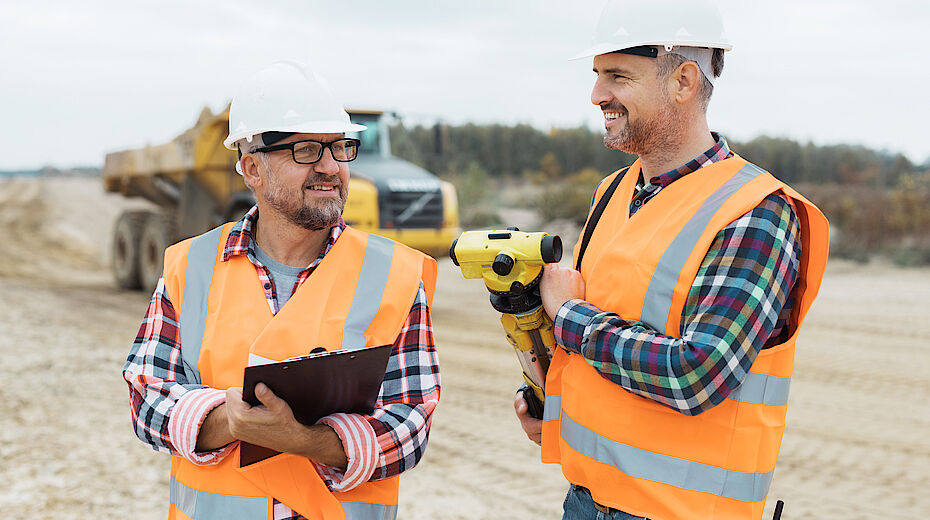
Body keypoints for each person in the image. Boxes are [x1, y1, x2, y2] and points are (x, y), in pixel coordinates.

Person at [512, 1, 830, 519]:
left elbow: (697, 374)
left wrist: (570, 317)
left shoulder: (755, 213)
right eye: (596, 75)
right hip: (587, 502)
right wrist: (557, 410)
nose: (597, 95)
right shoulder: (611, 193)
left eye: (617, 76)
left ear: (683, 81)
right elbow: (621, 337)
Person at [122, 61, 440, 520]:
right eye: (307, 150)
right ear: (252, 168)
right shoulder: (188, 266)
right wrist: (226, 420)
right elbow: (146, 398)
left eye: (340, 148)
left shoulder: (396, 274)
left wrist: (305, 441)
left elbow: (409, 427)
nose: (331, 167)